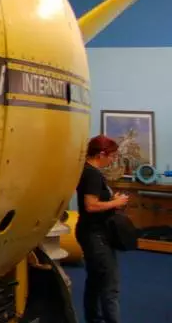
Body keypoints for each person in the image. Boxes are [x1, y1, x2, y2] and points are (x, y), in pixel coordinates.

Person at [76, 134, 128, 323]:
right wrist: (117, 203)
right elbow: (91, 205)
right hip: (95, 235)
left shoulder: (88, 171)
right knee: (109, 285)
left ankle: (93, 320)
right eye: (112, 156)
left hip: (92, 233)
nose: (113, 160)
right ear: (102, 154)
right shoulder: (92, 174)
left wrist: (113, 201)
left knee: (95, 282)